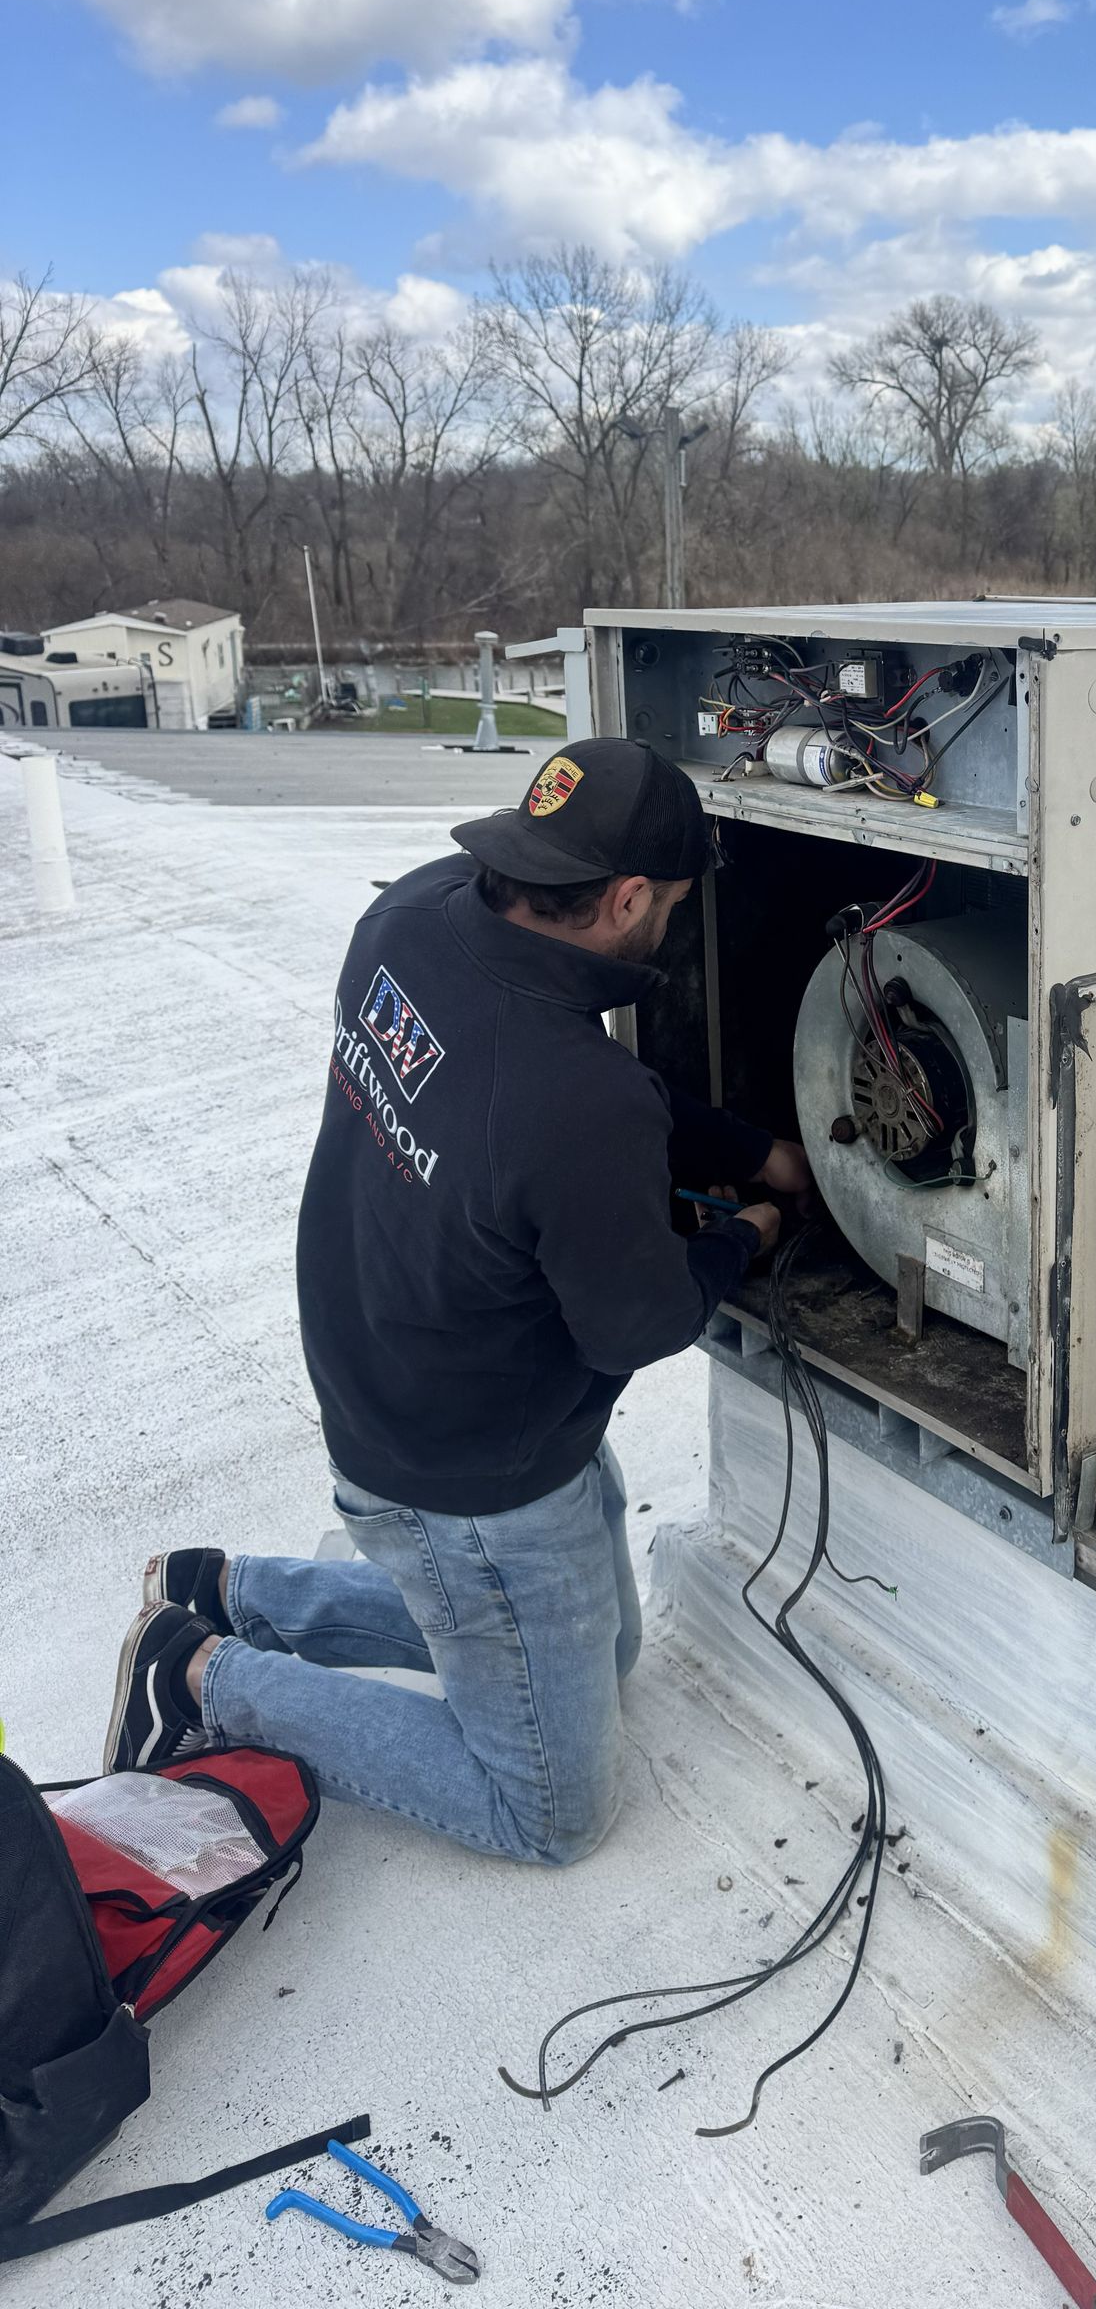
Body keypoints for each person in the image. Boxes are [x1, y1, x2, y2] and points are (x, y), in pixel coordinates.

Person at [103, 738, 809, 1864]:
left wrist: (748, 1149)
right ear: (627, 896)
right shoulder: (575, 1102)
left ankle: (228, 1590)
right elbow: (638, 1321)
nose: (669, 925)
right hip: (472, 1479)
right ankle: (197, 1674)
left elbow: (582, 1097)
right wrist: (746, 1231)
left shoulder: (413, 917)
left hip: (386, 1367)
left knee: (604, 1657)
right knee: (553, 1810)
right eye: (670, 905)